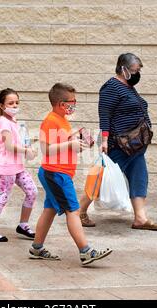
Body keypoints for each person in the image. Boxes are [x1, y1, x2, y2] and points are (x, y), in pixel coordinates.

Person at [29, 83, 112, 266]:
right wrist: (70, 145)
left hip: (57, 174)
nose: (74, 104)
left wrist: (80, 145)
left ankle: (37, 247)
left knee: (49, 210)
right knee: (73, 211)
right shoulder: (51, 120)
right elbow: (46, 149)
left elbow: (64, 148)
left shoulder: (63, 121)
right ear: (60, 103)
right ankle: (85, 251)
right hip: (56, 174)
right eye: (72, 101)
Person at [79, 53, 157, 231]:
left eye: (139, 70)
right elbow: (105, 115)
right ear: (123, 69)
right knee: (100, 178)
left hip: (136, 146)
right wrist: (105, 140)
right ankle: (80, 211)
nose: (137, 74)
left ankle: (140, 218)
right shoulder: (111, 87)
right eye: (135, 70)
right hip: (120, 144)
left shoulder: (128, 87)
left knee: (139, 178)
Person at [0, 88, 38, 242]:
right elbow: (8, 146)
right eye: (11, 103)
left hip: (18, 166)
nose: (14, 105)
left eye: (16, 102)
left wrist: (28, 145)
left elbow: (17, 141)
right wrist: (26, 150)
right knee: (3, 196)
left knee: (32, 191)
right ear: (2, 106)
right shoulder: (4, 122)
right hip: (6, 167)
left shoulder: (14, 122)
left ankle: (23, 225)